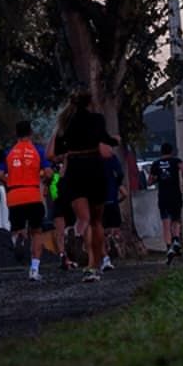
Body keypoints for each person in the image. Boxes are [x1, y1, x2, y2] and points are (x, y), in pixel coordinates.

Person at [46, 91, 116, 282]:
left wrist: (66, 154)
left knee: (84, 217)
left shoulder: (65, 123)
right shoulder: (97, 119)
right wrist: (115, 140)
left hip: (74, 170)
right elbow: (105, 142)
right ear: (90, 103)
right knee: (97, 221)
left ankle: (78, 231)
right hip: (94, 168)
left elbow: (52, 153)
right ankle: (94, 264)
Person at [0, 119, 51, 281]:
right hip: (33, 194)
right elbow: (48, 173)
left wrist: (10, 182)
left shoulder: (9, 152)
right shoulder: (38, 151)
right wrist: (42, 180)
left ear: (16, 134)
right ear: (30, 133)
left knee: (17, 227)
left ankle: (18, 238)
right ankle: (34, 269)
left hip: (15, 196)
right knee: (36, 232)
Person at [154, 141, 183, 261]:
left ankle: (169, 247)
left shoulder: (156, 163)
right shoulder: (176, 161)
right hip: (175, 195)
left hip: (163, 196)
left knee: (166, 222)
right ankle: (176, 241)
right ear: (172, 151)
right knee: (176, 219)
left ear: (161, 152)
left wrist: (159, 178)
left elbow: (150, 180)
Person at [101, 148, 126, 270]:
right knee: (115, 228)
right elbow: (120, 175)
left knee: (101, 230)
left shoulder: (91, 157)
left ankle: (105, 257)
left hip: (99, 202)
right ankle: (117, 246)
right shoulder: (111, 157)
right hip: (112, 201)